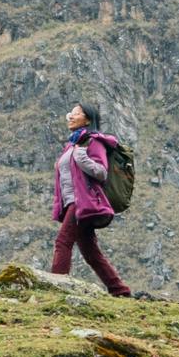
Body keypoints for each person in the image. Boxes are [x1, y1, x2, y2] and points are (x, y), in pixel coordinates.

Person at [48, 99, 131, 295]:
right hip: (72, 202)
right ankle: (120, 290)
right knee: (90, 251)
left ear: (87, 119)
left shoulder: (93, 142)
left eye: (76, 113)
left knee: (63, 241)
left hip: (83, 201)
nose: (71, 116)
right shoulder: (72, 144)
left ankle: (56, 287)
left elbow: (101, 172)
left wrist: (82, 157)